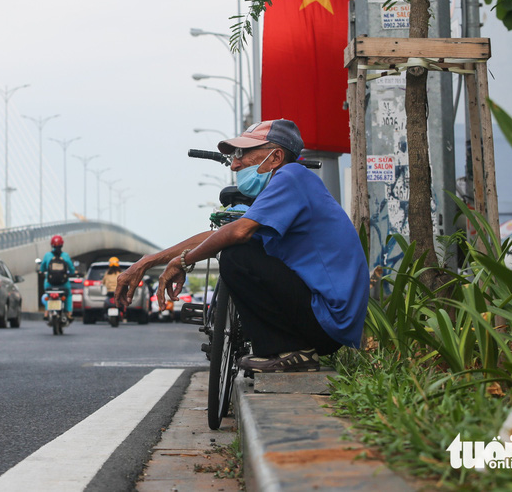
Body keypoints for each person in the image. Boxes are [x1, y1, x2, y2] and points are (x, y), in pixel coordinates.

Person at [115, 119, 369, 373]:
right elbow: (217, 234)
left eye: (242, 153)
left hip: (328, 320)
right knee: (234, 246)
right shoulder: (286, 185)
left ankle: (290, 350)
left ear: (276, 156)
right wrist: (150, 260)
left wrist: (184, 260)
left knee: (236, 255)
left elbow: (237, 231)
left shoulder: (292, 176)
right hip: (326, 321)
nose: (235, 164)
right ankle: (287, 348)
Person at [39, 235, 75, 319]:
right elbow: (71, 269)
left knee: (48, 295)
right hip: (63, 284)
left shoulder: (47, 255)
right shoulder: (65, 256)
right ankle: (69, 313)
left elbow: (42, 268)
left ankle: (47, 312)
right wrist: (73, 272)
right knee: (68, 295)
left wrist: (42, 271)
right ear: (62, 245)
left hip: (50, 283)